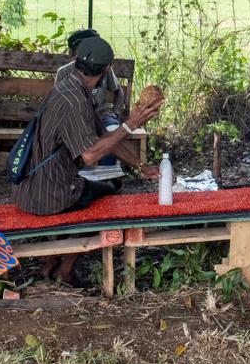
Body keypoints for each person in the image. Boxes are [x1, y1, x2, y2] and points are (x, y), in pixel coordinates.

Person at [13, 35, 163, 285]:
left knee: (98, 189)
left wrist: (141, 166)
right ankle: (65, 269)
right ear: (106, 70)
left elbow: (105, 137)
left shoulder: (72, 87)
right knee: (107, 199)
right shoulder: (74, 100)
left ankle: (49, 265)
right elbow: (91, 154)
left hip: (31, 185)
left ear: (76, 61)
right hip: (46, 193)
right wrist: (131, 124)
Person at [55, 28, 128, 126]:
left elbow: (119, 91)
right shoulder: (64, 72)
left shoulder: (104, 68)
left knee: (113, 130)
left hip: (101, 117)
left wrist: (115, 113)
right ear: (73, 53)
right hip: (73, 118)